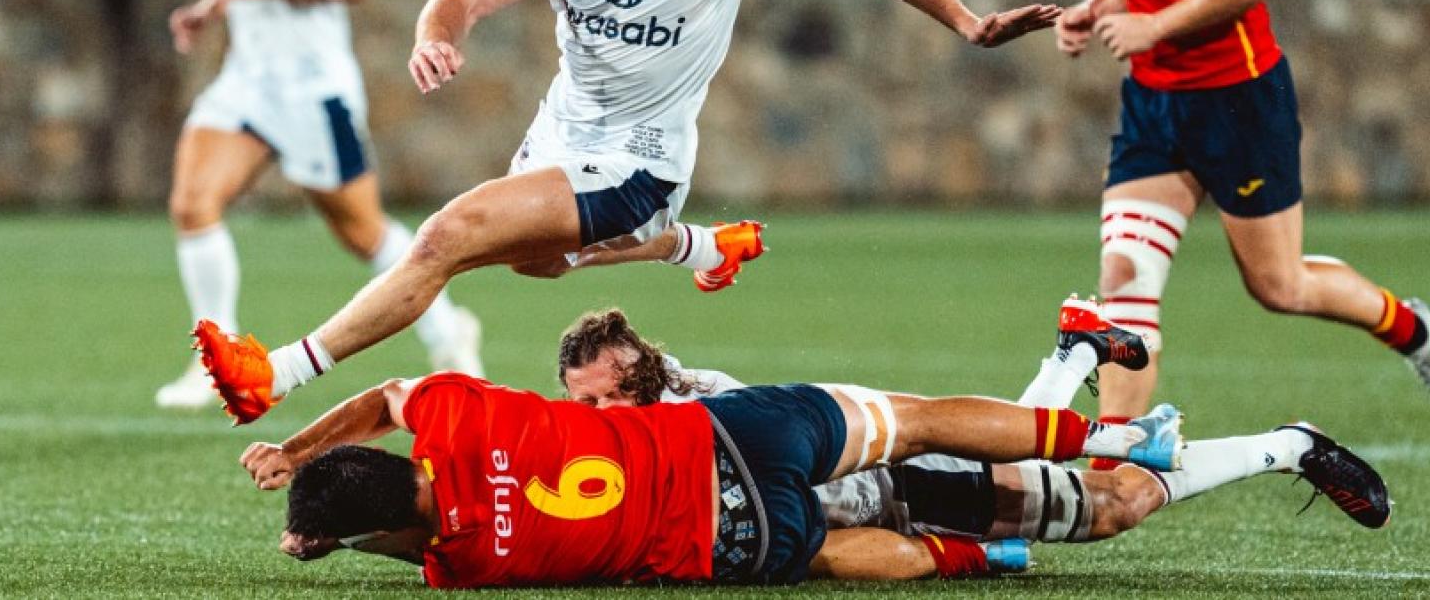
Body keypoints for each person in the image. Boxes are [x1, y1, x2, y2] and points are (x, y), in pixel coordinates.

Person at [193, 0, 1061, 424]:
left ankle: (275, 370)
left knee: (447, 238)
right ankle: (694, 246)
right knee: (527, 263)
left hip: (639, 157)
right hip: (561, 133)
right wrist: (437, 31)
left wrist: (967, 20)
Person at [1052, 0, 1430, 444]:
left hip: (1237, 101)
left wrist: (1153, 27)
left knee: (1279, 286)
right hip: (1154, 107)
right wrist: (1097, 7)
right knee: (1124, 276)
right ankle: (1113, 467)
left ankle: (1412, 327)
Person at [553, 303, 1392, 580]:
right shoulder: (664, 409)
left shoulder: (695, 409)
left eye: (594, 396)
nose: (590, 416)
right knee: (1038, 462)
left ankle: (1291, 445)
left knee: (1113, 505)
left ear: (626, 372)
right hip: (895, 483)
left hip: (901, 482)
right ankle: (1076, 349)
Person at [154, 0, 482, 410]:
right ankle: (213, 359)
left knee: (362, 234)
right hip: (248, 81)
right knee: (193, 204)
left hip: (314, 90)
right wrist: (207, 8)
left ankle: (449, 326)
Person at [235, 370, 1190, 587]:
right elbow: (386, 393)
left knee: (820, 559)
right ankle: (1120, 437)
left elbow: (408, 544)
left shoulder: (470, 563)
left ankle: (987, 559)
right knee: (921, 422)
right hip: (723, 439)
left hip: (726, 538)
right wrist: (303, 449)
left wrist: (326, 532)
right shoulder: (457, 414)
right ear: (396, 460)